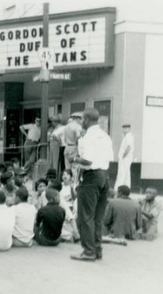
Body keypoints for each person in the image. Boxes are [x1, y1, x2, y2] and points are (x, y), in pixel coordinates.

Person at [70, 108, 114, 262]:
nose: (81, 122)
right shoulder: (106, 136)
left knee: (85, 216)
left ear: (87, 119)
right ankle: (97, 250)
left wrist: (74, 159)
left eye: (82, 119)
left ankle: (88, 251)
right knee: (97, 217)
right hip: (104, 176)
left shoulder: (88, 137)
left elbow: (87, 160)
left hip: (91, 177)